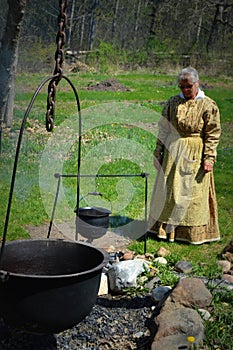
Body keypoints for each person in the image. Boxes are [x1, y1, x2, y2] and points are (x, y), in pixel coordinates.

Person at [148, 67, 221, 244]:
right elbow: (163, 129)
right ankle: (165, 229)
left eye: (188, 86)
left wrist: (209, 158)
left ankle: (189, 233)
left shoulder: (208, 105)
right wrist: (158, 152)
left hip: (195, 151)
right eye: (182, 87)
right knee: (169, 192)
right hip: (172, 152)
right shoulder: (173, 103)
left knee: (192, 192)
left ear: (197, 84)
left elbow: (213, 133)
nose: (185, 90)